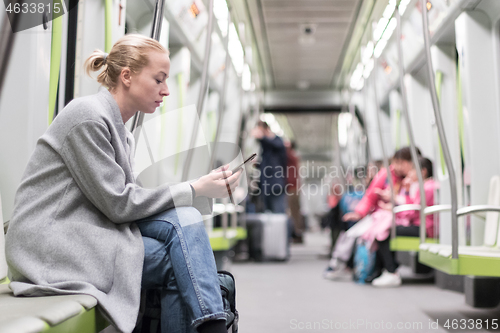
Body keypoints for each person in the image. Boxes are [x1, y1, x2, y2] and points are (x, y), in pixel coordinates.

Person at [5, 34, 242, 333]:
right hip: (50, 248)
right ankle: (212, 325)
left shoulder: (118, 128)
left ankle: (212, 325)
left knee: (187, 217)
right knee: (177, 266)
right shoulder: (87, 117)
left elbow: (124, 202)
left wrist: (196, 191)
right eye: (159, 80)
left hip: (86, 232)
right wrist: (195, 188)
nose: (166, 90)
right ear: (127, 76)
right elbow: (120, 204)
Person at [369, 157, 436, 287]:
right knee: (387, 230)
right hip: (422, 225)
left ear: (423, 172)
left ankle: (391, 271)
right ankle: (388, 269)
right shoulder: (424, 186)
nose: (409, 175)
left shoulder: (426, 188)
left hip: (424, 228)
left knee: (386, 231)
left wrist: (394, 209)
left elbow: (413, 211)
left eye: (412, 171)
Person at [250, 121, 287, 213]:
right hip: (266, 186)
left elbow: (277, 145)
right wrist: (258, 164)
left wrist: (262, 137)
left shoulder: (277, 141)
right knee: (268, 214)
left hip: (275, 186)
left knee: (278, 213)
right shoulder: (265, 147)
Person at [284, 140, 304, 243]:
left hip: (293, 188)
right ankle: (297, 233)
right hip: (293, 187)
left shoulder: (291, 156)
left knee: (294, 212)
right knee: (294, 211)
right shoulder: (293, 156)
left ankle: (297, 234)